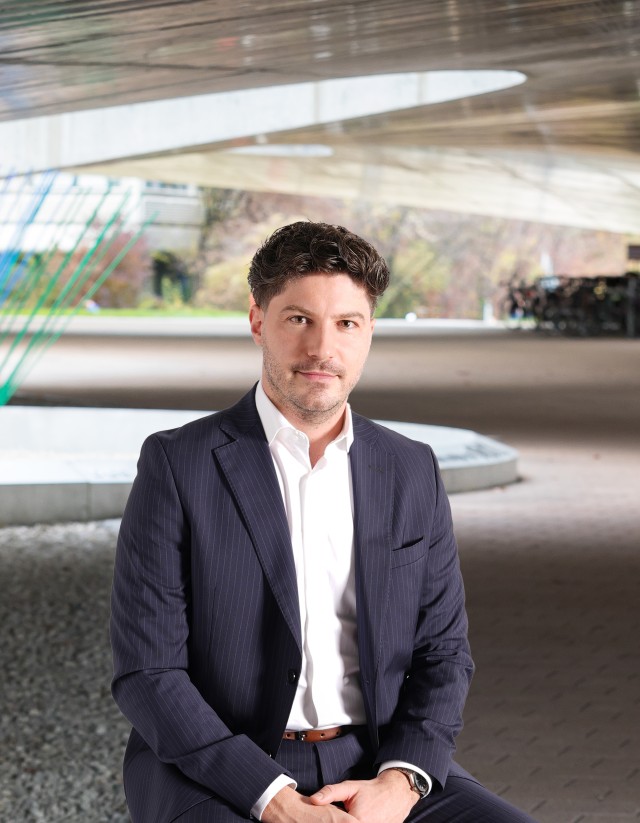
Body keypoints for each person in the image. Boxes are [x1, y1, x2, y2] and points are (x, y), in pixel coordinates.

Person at [110, 222, 535, 822]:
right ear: (258, 321)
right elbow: (148, 672)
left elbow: (443, 653)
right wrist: (274, 800)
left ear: (370, 332)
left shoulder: (410, 468)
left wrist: (400, 782)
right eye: (299, 319)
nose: (322, 349)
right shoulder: (179, 464)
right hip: (221, 770)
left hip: (377, 762)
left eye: (346, 323)